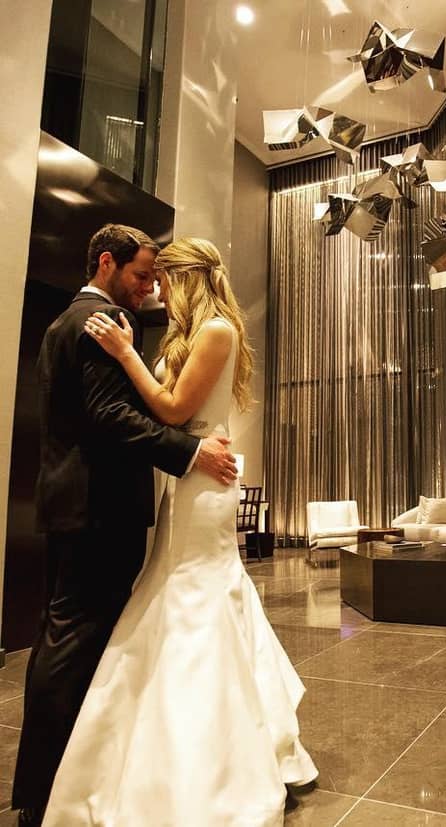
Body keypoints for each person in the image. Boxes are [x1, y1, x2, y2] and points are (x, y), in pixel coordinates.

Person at [41, 237, 318, 826]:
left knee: (196, 597)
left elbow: (170, 410)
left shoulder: (216, 330)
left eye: (163, 280)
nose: (156, 292)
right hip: (188, 478)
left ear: (187, 277)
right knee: (179, 591)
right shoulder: (186, 334)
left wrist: (126, 354)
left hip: (205, 485)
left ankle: (213, 749)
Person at [12, 225, 237, 827]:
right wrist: (190, 452)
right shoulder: (105, 322)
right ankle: (50, 786)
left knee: (61, 637)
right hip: (99, 510)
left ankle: (48, 780)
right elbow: (111, 415)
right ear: (107, 263)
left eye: (158, 278)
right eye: (141, 276)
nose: (149, 289)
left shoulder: (64, 321)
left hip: (70, 505)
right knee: (74, 642)